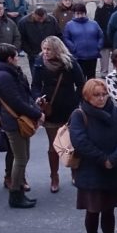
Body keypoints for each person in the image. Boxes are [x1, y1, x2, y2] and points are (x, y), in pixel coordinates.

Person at [69, 78, 117, 233]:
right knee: (93, 211)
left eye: (104, 94)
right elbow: (80, 142)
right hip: (92, 171)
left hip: (113, 169)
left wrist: (114, 159)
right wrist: (103, 159)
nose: (101, 98)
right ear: (87, 96)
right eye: (97, 95)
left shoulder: (116, 112)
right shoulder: (79, 115)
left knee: (109, 211)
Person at [32, 36, 86, 193]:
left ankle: (74, 172)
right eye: (44, 48)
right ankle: (54, 176)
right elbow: (35, 85)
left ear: (57, 49)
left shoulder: (70, 62)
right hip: (50, 108)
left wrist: (76, 102)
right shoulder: (40, 62)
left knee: (72, 143)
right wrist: (37, 97)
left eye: (48, 49)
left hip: (69, 107)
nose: (45, 52)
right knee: (53, 146)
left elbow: (81, 84)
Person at [0, 43, 41, 208]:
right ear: (9, 59)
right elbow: (16, 101)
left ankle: (18, 190)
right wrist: (36, 114)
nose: (18, 59)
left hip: (17, 120)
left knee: (23, 156)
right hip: (14, 121)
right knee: (20, 158)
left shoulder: (9, 73)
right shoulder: (4, 76)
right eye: (15, 56)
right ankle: (15, 194)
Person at [62, 1, 103, 79]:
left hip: (92, 56)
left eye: (82, 13)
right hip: (78, 56)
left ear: (85, 13)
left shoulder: (94, 23)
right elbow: (66, 38)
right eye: (78, 13)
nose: (80, 16)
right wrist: (73, 48)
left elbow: (101, 36)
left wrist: (98, 47)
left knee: (92, 78)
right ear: (74, 14)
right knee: (81, 78)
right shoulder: (69, 25)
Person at [95, 0, 117, 76]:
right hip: (104, 37)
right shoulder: (99, 9)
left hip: (115, 38)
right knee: (104, 59)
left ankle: (116, 73)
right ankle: (104, 74)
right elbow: (96, 22)